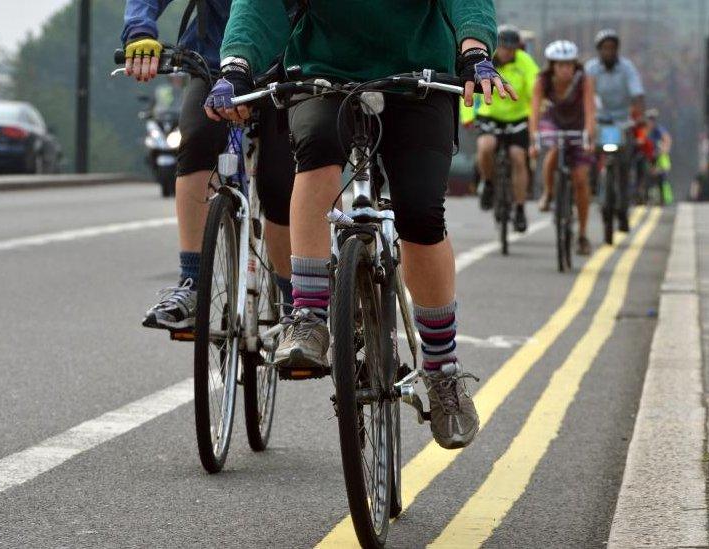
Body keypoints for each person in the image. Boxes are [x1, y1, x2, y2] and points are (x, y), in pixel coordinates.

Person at [205, 0, 511, 449]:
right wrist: (236, 66)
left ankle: (442, 368)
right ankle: (308, 314)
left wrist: (473, 51)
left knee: (422, 213)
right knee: (316, 158)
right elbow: (259, 5)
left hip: (419, 75)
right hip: (324, 70)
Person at [121, 0, 296, 330]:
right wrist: (140, 31)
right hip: (213, 62)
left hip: (284, 66)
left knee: (279, 181)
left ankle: (293, 304)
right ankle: (191, 284)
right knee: (196, 140)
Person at [462, 25, 540, 233]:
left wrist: (537, 113)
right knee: (486, 146)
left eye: (512, 49)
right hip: (490, 115)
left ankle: (521, 208)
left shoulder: (525, 62)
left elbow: (536, 89)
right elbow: (467, 86)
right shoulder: (485, 61)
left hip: (517, 117)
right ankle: (488, 183)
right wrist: (468, 115)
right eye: (504, 48)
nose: (508, 52)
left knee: (517, 156)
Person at [529, 40, 596, 255]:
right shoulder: (542, 80)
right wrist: (534, 139)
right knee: (555, 149)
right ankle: (549, 193)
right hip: (554, 123)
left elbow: (590, 111)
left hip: (577, 125)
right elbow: (535, 111)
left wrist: (588, 136)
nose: (565, 69)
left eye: (569, 64)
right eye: (560, 65)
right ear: (552, 66)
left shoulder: (584, 80)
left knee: (581, 180)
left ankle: (583, 234)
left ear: (575, 65)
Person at [585, 29, 645, 233]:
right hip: (599, 120)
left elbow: (637, 94)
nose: (609, 52)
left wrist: (640, 117)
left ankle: (623, 210)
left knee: (623, 167)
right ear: (599, 51)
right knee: (590, 153)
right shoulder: (591, 69)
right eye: (605, 48)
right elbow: (586, 94)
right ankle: (593, 183)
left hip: (622, 122)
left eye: (612, 48)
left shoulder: (627, 68)